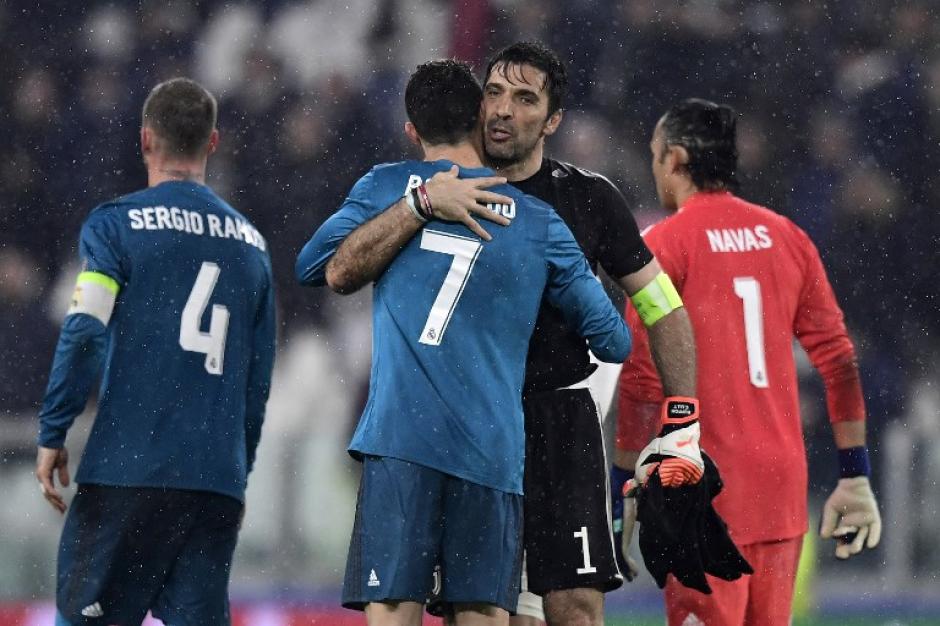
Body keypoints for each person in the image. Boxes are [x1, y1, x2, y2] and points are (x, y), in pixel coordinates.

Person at [295, 59, 632, 626]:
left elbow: (313, 266)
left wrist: (417, 205)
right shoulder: (540, 222)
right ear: (482, 116)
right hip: (491, 452)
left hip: (402, 442)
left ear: (411, 130)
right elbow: (615, 341)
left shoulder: (385, 186)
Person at [616, 98, 882, 626]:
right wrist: (855, 473)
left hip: (703, 492)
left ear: (674, 159)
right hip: (780, 489)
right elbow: (839, 361)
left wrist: (624, 483)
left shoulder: (663, 246)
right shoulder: (787, 236)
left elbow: (642, 379)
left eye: (655, 155)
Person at [35, 77, 276, 626]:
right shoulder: (253, 247)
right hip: (212, 482)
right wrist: (236, 474)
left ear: (145, 139)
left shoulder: (115, 225)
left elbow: (85, 330)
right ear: (212, 143)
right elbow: (257, 381)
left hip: (128, 470)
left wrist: (54, 429)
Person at [479, 42, 699, 626]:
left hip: (560, 421)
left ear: (552, 120)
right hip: (475, 418)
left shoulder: (589, 198)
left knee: (576, 608)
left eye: (524, 98)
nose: (503, 109)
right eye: (494, 93)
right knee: (482, 612)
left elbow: (662, 307)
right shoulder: (452, 188)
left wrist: (683, 417)